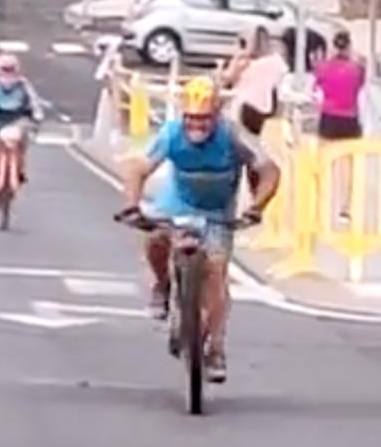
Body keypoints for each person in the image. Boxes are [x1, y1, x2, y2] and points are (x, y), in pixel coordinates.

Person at [115, 76, 280, 382]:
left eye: (204, 119)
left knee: (216, 274)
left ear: (216, 115)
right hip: (176, 205)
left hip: (217, 213)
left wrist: (257, 207)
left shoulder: (233, 135)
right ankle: (162, 285)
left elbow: (269, 170)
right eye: (190, 118)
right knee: (154, 238)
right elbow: (138, 168)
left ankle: (215, 348)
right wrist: (131, 205)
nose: (196, 126)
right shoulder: (171, 134)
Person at [0, 53, 44, 216]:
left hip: (17, 122)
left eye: (11, 70)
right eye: (4, 70)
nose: (8, 75)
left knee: (21, 143)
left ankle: (18, 170)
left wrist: (37, 115)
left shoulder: (24, 86)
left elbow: (34, 102)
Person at [313, 30, 366, 222]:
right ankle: (345, 208)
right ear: (349, 46)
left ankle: (320, 203)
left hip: (328, 117)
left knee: (323, 163)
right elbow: (359, 86)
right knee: (347, 168)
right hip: (350, 119)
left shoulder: (323, 68)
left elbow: (317, 88)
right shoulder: (357, 69)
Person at [222, 27, 289, 137]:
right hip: (267, 112)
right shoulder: (278, 62)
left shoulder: (245, 63)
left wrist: (237, 57)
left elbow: (227, 78)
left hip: (243, 111)